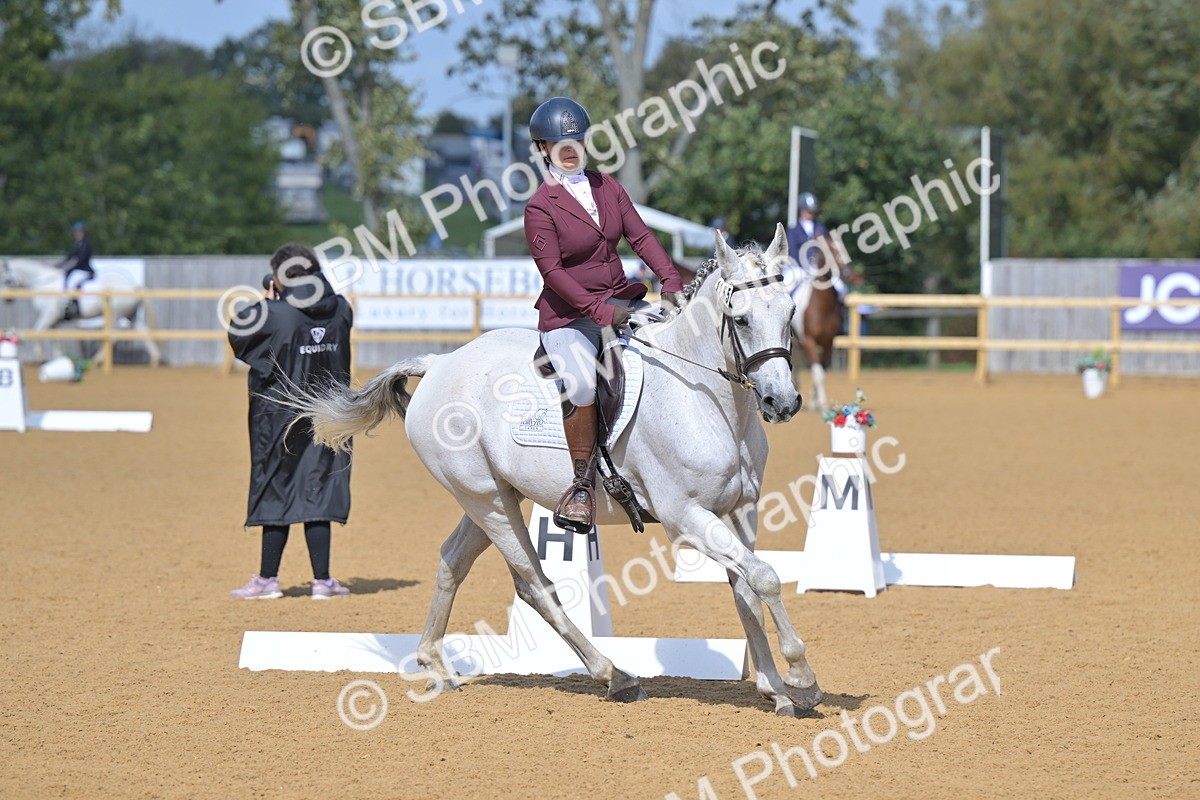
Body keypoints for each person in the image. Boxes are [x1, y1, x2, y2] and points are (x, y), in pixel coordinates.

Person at [523, 96, 684, 532]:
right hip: (568, 316)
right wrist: (597, 310)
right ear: (543, 149)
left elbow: (641, 235)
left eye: (577, 140)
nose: (571, 149)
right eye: (561, 144)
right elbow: (553, 272)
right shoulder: (540, 207)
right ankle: (580, 487)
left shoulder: (608, 187)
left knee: (670, 347)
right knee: (580, 383)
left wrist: (670, 279)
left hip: (619, 300)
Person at [228, 243, 355, 600]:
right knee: (319, 488)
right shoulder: (342, 308)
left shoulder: (274, 313)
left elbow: (238, 333)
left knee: (276, 487)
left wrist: (270, 300)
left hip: (278, 417)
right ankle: (323, 581)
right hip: (327, 414)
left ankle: (268, 579)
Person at [785, 193, 847, 301]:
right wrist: (802, 268)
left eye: (812, 211)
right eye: (808, 210)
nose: (811, 213)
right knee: (785, 286)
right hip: (799, 268)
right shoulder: (793, 230)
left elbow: (827, 250)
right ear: (802, 210)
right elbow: (792, 252)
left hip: (819, 268)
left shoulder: (820, 228)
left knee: (841, 288)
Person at [58, 221, 94, 320]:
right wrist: (60, 265)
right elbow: (70, 257)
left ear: (83, 232)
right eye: (76, 232)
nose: (76, 234)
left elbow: (81, 259)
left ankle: (71, 305)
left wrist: (71, 267)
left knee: (72, 280)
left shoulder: (85, 244)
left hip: (84, 270)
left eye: (78, 231)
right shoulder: (77, 243)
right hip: (79, 269)